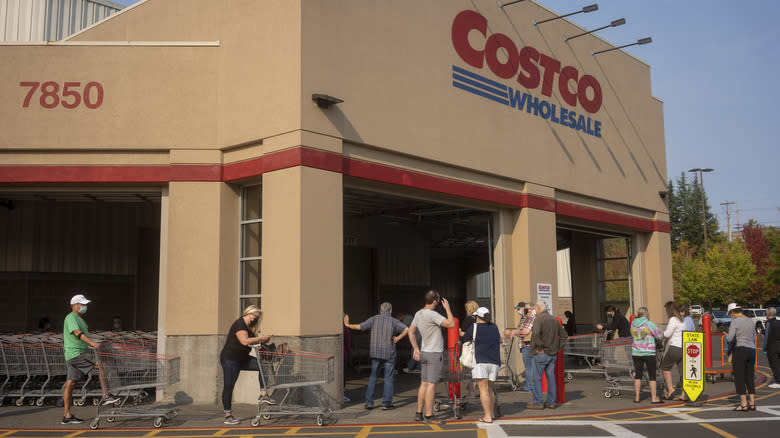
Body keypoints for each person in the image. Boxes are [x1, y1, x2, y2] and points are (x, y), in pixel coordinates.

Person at [62, 294, 120, 425]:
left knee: (70, 384)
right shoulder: (71, 318)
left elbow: (83, 334)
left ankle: (66, 416)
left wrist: (96, 341)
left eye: (85, 304)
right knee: (101, 365)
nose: (85, 306)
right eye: (82, 304)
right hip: (77, 353)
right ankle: (106, 395)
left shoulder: (80, 319)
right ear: (75, 305)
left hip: (74, 354)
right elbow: (77, 333)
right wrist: (92, 343)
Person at [344, 302, 408, 410]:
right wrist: (398, 338)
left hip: (376, 353)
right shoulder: (394, 321)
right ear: (390, 311)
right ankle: (386, 403)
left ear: (380, 310)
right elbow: (407, 329)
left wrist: (348, 325)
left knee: (373, 377)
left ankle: (369, 403)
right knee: (388, 378)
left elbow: (360, 327)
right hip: (389, 353)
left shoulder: (374, 319)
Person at [219, 305, 273, 425]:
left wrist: (264, 341)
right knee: (229, 386)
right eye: (254, 317)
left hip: (242, 359)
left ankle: (263, 395)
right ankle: (228, 415)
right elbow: (244, 341)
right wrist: (261, 339)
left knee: (262, 365)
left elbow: (252, 341)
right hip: (230, 360)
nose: (255, 320)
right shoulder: (240, 324)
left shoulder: (249, 327)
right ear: (249, 314)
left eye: (257, 318)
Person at [408, 290, 455, 423]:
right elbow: (451, 324)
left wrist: (416, 349)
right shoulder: (433, 315)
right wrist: (448, 309)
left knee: (424, 383)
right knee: (431, 385)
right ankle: (429, 415)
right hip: (434, 353)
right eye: (438, 300)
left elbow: (411, 332)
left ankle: (419, 413)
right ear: (434, 301)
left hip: (424, 352)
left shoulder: (418, 313)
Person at [460, 307, 501, 423]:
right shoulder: (494, 326)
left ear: (478, 317)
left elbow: (464, 339)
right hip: (494, 361)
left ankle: (487, 416)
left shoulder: (474, 327)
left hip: (480, 361)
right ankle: (491, 413)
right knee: (490, 389)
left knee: (483, 390)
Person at [528, 300, 567, 409]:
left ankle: (538, 402)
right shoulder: (554, 319)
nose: (534, 310)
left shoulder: (539, 319)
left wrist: (540, 347)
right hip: (552, 353)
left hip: (541, 353)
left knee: (536, 378)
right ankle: (551, 402)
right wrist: (558, 348)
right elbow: (564, 335)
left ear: (538, 308)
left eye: (534, 308)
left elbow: (535, 334)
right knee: (551, 378)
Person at [629, 307, 663, 404]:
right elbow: (659, 335)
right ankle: (654, 398)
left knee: (638, 375)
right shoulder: (649, 324)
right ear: (647, 314)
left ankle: (637, 397)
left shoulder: (633, 324)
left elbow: (633, 335)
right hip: (649, 353)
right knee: (652, 376)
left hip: (636, 352)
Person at [727, 303, 756, 411]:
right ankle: (752, 403)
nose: (731, 316)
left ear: (733, 312)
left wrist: (727, 336)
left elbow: (730, 339)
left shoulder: (735, 321)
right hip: (751, 350)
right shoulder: (750, 321)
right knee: (749, 376)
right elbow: (753, 337)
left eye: (730, 314)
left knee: (739, 377)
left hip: (740, 350)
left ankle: (743, 404)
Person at [504, 302, 535, 392]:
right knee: (529, 367)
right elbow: (520, 330)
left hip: (528, 345)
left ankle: (529, 386)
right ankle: (529, 385)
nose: (518, 311)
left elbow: (524, 332)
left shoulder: (530, 318)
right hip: (525, 345)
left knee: (529, 367)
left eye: (519, 309)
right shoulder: (524, 318)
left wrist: (512, 332)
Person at [661, 301, 685, 401]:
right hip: (683, 347)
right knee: (682, 372)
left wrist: (659, 332)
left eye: (666, 309)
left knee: (665, 367)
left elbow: (667, 334)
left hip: (675, 347)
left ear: (669, 310)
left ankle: (670, 390)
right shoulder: (682, 320)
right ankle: (684, 394)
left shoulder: (673, 320)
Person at [459, 300, 480, 400]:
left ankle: (471, 391)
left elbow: (463, 334)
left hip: (469, 347)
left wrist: (459, 331)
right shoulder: (479, 319)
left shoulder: (468, 319)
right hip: (478, 346)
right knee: (475, 369)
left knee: (470, 371)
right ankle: (473, 389)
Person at [764, 307, 780, 389]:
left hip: (772, 347)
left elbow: (766, 337)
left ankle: (778, 381)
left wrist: (764, 348)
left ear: (768, 314)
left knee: (774, 364)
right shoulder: (779, 322)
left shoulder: (769, 323)